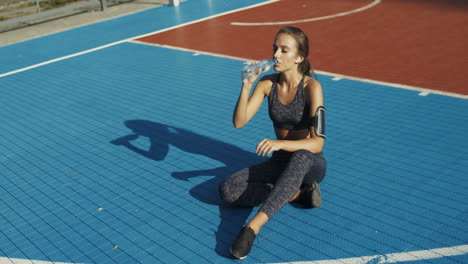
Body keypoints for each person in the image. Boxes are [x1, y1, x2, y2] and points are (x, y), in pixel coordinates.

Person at [218, 26, 327, 259]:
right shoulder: (267, 84)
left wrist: (279, 144)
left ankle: (251, 229)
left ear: (299, 57)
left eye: (284, 50)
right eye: (274, 48)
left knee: (300, 157)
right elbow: (239, 122)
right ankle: (299, 195)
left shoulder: (312, 88)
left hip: (310, 162)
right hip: (280, 162)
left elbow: (317, 144)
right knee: (227, 190)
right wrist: (246, 86)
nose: (275, 54)